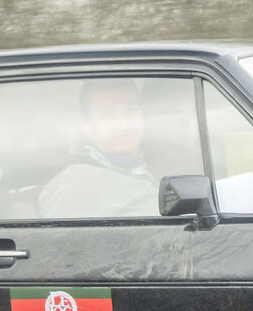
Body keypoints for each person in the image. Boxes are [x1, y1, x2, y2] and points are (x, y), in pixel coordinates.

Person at [37, 78, 161, 219]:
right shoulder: (77, 186)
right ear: (87, 125)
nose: (124, 125)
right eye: (108, 114)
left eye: (131, 110)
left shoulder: (146, 171)